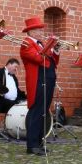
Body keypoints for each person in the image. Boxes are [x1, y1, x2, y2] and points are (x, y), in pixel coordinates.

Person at [20, 17, 59, 155]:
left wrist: (56, 50)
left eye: (40, 29)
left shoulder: (41, 43)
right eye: (37, 29)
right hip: (37, 80)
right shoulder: (26, 44)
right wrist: (49, 46)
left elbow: (53, 62)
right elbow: (39, 59)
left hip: (47, 79)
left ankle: (39, 142)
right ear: (30, 31)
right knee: (36, 112)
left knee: (43, 112)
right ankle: (32, 145)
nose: (40, 32)